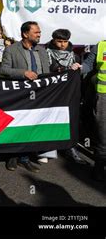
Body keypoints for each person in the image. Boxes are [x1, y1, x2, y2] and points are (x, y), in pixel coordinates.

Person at [0, 21, 50, 173]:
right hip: (19, 95)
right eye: (36, 32)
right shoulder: (11, 50)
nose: (39, 35)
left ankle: (24, 157)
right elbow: (4, 70)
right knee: (16, 125)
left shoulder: (42, 50)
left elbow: (46, 72)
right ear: (25, 34)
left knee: (31, 126)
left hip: (38, 95)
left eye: (39, 32)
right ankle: (11, 156)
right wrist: (23, 73)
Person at [45, 29, 86, 165]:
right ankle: (48, 148)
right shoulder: (46, 52)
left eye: (65, 41)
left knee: (70, 119)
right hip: (52, 92)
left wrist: (78, 68)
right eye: (59, 41)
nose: (62, 44)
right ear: (53, 40)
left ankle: (70, 147)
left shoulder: (74, 55)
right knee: (50, 118)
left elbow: (81, 74)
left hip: (69, 93)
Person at [82, 41, 106, 181]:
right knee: (103, 133)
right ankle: (99, 167)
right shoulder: (101, 45)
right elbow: (88, 65)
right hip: (103, 96)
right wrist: (79, 67)